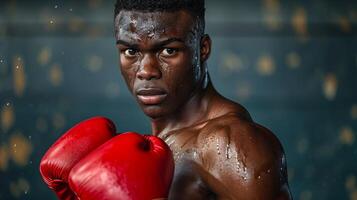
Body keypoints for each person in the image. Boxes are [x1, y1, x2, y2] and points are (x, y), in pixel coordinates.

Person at [114, 0, 292, 199]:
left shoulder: (228, 143)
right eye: (131, 51)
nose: (146, 71)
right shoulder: (154, 145)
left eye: (168, 51)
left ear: (203, 49)